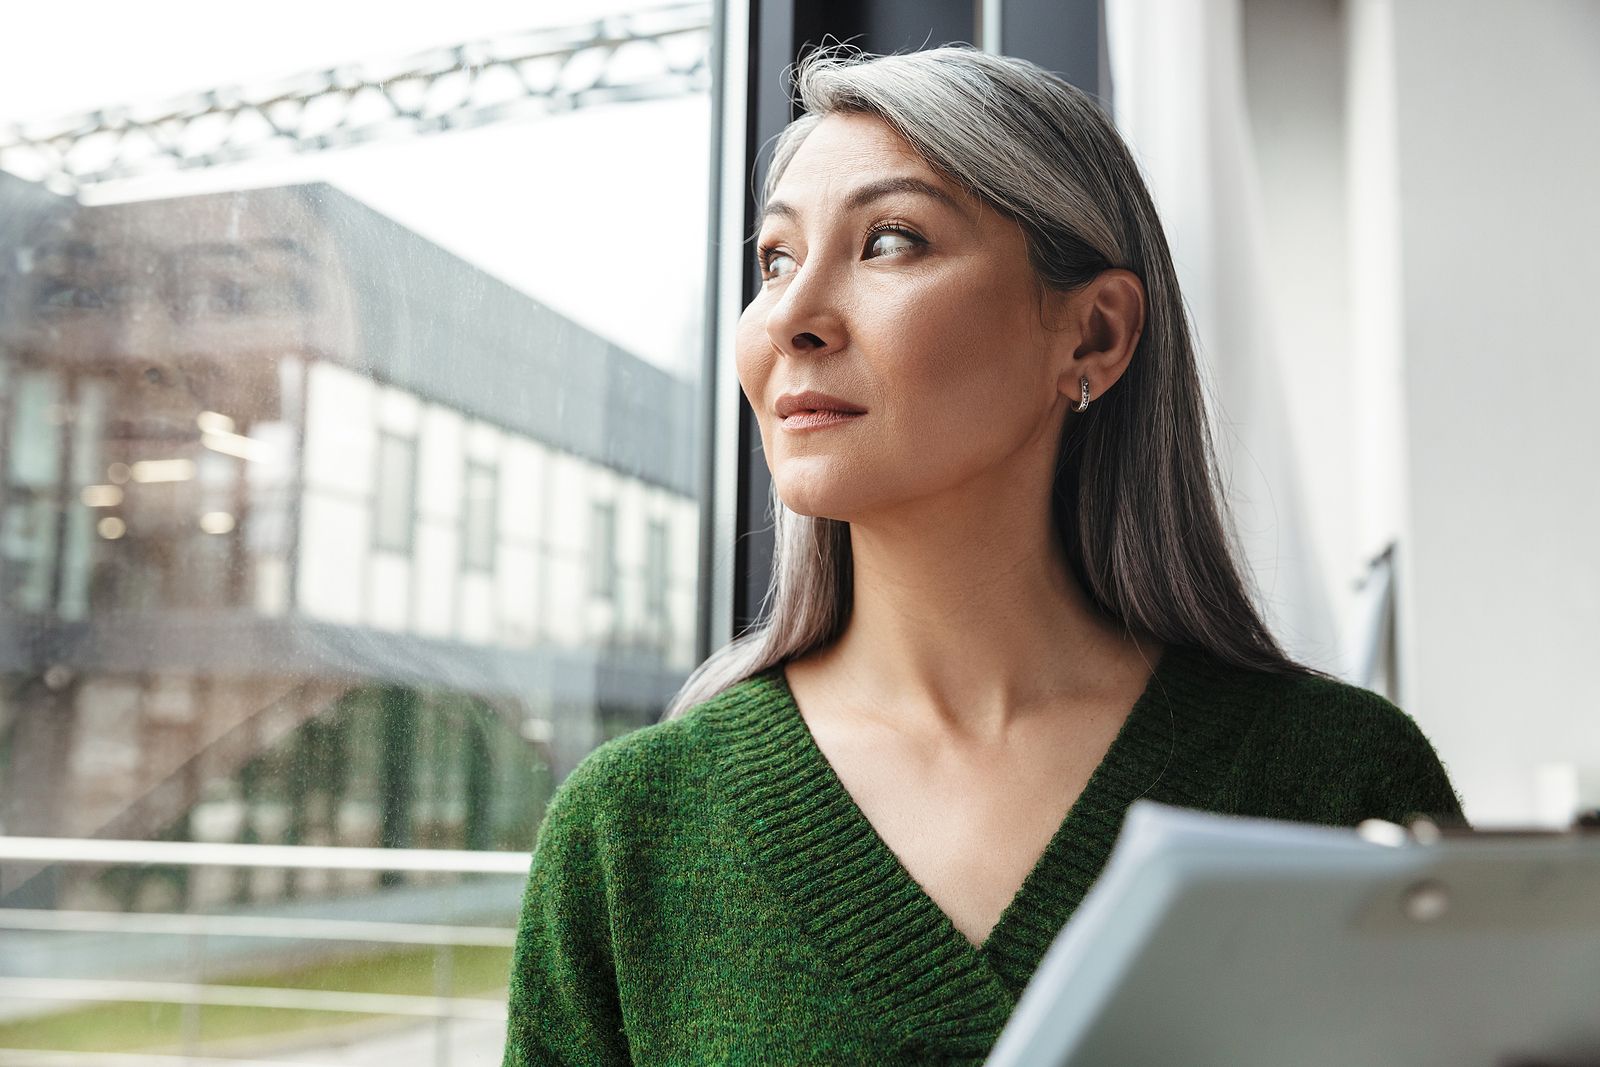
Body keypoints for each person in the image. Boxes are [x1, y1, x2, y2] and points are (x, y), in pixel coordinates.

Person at [502, 41, 1465, 1065]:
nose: (788, 316)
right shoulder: (629, 828)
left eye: (890, 241)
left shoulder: (1337, 781)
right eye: (775, 259)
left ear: (1093, 334)